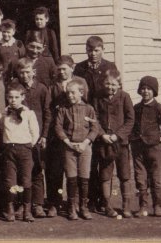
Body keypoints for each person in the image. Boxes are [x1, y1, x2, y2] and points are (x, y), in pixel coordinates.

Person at [73, 36, 118, 211]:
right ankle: (91, 198)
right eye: (90, 50)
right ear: (86, 50)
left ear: (103, 50)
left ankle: (104, 199)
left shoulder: (109, 67)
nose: (93, 54)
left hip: (105, 117)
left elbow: (115, 90)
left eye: (97, 50)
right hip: (86, 117)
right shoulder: (80, 68)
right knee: (89, 161)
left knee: (105, 159)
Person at [44, 55, 88, 217]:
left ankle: (75, 203)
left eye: (64, 69)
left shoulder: (80, 82)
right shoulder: (53, 86)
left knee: (76, 172)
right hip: (58, 133)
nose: (62, 72)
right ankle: (54, 203)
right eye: (59, 69)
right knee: (54, 170)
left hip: (77, 133)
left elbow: (86, 105)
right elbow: (49, 109)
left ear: (72, 68)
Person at [8, 58, 52, 219]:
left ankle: (38, 204)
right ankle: (22, 204)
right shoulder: (15, 88)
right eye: (22, 72)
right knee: (21, 171)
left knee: (37, 169)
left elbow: (47, 113)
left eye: (28, 72)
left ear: (33, 72)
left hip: (36, 135)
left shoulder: (41, 88)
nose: (25, 75)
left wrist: (44, 135)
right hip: (19, 136)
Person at [54, 80, 101, 220]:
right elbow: (58, 127)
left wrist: (85, 143)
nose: (70, 95)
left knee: (84, 178)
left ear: (81, 92)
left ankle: (83, 206)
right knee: (71, 178)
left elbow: (95, 128)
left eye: (73, 92)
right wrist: (67, 142)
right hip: (69, 148)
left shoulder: (89, 109)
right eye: (68, 93)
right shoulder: (63, 109)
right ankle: (71, 207)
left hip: (85, 148)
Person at [92, 69, 134, 218]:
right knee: (105, 175)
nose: (110, 87)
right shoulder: (98, 98)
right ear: (103, 83)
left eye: (113, 84)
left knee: (124, 175)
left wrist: (118, 135)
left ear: (119, 84)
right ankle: (107, 205)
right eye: (107, 83)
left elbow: (130, 120)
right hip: (105, 144)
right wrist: (102, 134)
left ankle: (126, 205)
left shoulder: (124, 97)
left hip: (121, 144)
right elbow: (94, 119)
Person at [130, 76, 161, 218]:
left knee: (155, 178)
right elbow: (131, 124)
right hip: (138, 148)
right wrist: (132, 139)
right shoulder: (136, 108)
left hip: (154, 148)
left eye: (149, 89)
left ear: (154, 91)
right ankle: (143, 206)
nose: (146, 91)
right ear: (139, 90)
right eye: (143, 88)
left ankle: (157, 206)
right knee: (140, 178)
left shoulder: (158, 108)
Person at [0, 83, 40, 222]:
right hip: (9, 150)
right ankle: (10, 209)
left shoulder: (29, 113)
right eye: (10, 97)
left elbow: (35, 133)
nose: (13, 100)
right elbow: (1, 131)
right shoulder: (3, 114)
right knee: (10, 180)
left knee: (26, 180)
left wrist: (28, 145)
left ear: (22, 97)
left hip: (25, 150)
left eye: (16, 97)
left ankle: (26, 210)